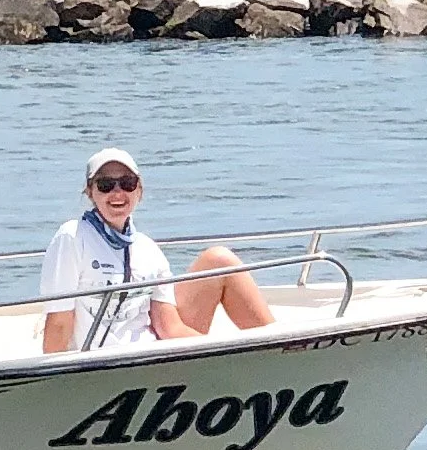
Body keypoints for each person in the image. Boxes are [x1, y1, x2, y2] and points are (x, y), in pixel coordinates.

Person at [40, 148, 276, 353]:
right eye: (105, 185)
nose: (117, 193)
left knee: (220, 260)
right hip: (101, 368)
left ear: (139, 190)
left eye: (127, 183)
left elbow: (169, 327)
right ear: (90, 192)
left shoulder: (149, 250)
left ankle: (283, 351)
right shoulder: (72, 237)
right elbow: (59, 324)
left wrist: (229, 350)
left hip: (150, 362)